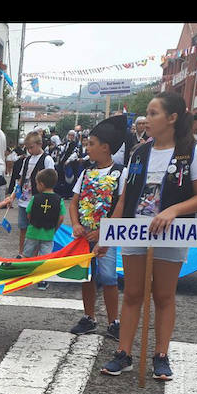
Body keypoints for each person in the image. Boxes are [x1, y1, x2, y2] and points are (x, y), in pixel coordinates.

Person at [101, 91, 197, 380]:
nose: (146, 120)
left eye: (153, 114)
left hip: (172, 232)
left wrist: (173, 210)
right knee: (132, 293)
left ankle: (161, 355)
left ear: (172, 118)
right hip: (135, 231)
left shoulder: (192, 152)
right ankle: (123, 353)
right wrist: (108, 235)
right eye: (147, 114)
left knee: (163, 295)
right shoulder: (139, 152)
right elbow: (125, 197)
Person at [67, 116, 129, 337]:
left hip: (107, 235)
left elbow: (121, 204)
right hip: (85, 235)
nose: (87, 148)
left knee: (109, 278)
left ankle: (114, 321)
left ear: (105, 147)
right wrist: (76, 224)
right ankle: (89, 317)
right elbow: (74, 203)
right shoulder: (86, 172)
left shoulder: (120, 172)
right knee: (87, 276)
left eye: (91, 144)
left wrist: (105, 232)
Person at [7, 131, 54, 258]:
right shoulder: (27, 159)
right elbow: (21, 179)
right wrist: (13, 196)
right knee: (23, 227)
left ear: (40, 144)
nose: (29, 150)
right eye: (27, 148)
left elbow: (50, 180)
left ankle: (33, 256)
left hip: (38, 200)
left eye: (31, 147)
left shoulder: (47, 159)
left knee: (36, 230)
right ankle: (21, 253)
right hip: (24, 199)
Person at [23, 167, 66, 290]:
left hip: (33, 232)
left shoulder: (35, 198)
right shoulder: (59, 200)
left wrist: (32, 222)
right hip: (48, 233)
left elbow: (28, 213)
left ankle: (23, 277)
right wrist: (54, 228)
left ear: (41, 184)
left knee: (27, 255)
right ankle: (42, 281)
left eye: (36, 183)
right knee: (44, 258)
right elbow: (61, 217)